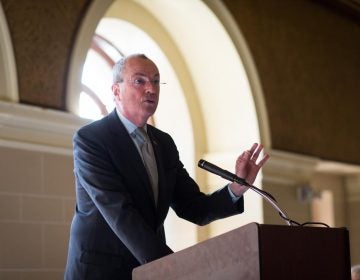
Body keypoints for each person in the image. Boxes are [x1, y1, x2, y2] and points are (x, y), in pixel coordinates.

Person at [64, 53, 269, 279]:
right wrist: (172, 266)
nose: (151, 89)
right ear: (116, 91)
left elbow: (193, 206)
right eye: (140, 81)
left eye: (155, 81)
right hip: (100, 270)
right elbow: (120, 214)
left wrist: (236, 188)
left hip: (148, 270)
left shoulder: (163, 143)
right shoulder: (92, 139)